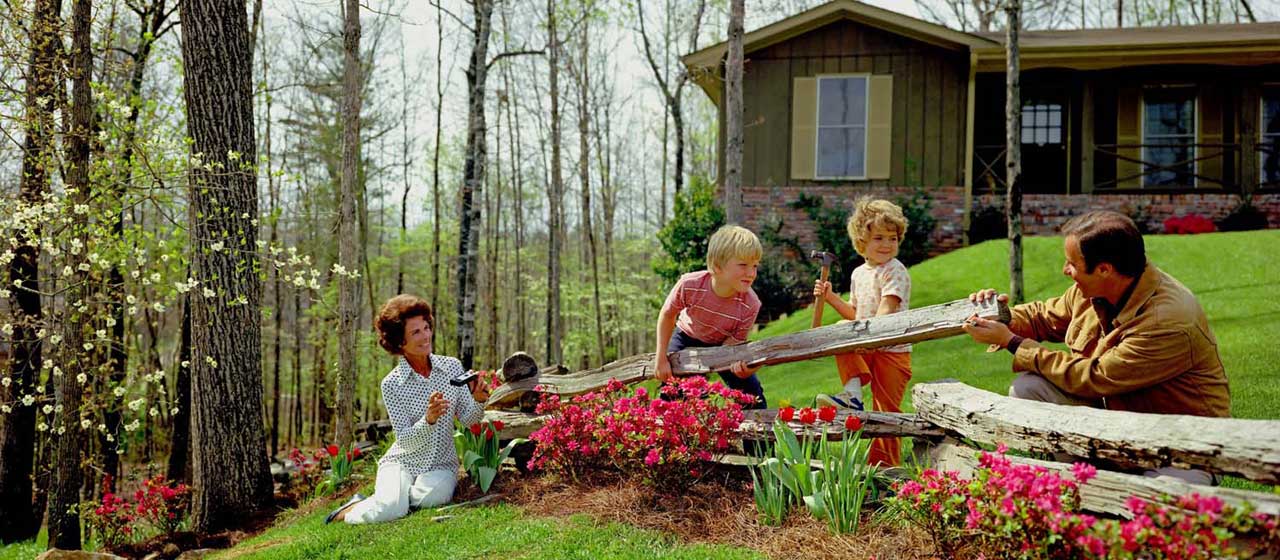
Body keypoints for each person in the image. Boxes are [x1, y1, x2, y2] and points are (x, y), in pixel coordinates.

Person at [962, 210, 1230, 484]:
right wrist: (1002, 315)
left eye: (1071, 264)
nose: (1065, 271)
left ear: (1104, 269)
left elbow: (1094, 377)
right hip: (1118, 430)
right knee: (1029, 388)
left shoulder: (1168, 320)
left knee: (1157, 508)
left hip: (1179, 449)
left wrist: (1011, 341)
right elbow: (1044, 316)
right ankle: (1082, 483)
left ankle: (1114, 487)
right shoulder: (1094, 289)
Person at [326, 294, 490, 524]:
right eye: (416, 332)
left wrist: (479, 400)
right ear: (400, 343)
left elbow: (468, 420)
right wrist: (428, 420)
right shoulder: (392, 384)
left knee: (429, 499)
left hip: (441, 465)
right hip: (402, 462)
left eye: (426, 327)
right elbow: (404, 440)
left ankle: (386, 500)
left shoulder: (452, 366)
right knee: (393, 509)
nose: (426, 336)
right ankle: (353, 510)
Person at [812, 198, 914, 466]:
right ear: (861, 242)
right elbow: (855, 314)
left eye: (892, 238)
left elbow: (887, 308)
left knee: (886, 411)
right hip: (867, 343)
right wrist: (831, 297)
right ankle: (853, 397)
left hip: (891, 351)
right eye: (878, 237)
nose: (886, 244)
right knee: (840, 331)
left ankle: (884, 469)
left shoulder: (896, 270)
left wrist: (872, 338)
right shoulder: (859, 274)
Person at [654, 224, 768, 409]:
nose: (751, 273)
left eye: (755, 266)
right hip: (686, 337)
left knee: (751, 392)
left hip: (723, 345)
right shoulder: (690, 284)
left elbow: (733, 345)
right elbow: (667, 315)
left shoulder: (751, 304)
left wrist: (741, 370)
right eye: (743, 265)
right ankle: (669, 433)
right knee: (673, 388)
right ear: (717, 266)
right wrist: (661, 358)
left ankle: (756, 436)